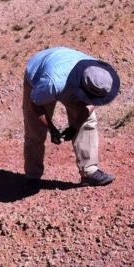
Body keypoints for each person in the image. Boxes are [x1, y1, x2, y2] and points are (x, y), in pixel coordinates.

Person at [23, 46, 120, 187]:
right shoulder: (53, 83)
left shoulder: (98, 76)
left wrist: (75, 127)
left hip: (67, 72)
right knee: (35, 129)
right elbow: (36, 104)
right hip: (40, 75)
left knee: (88, 121)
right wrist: (52, 128)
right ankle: (32, 176)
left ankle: (89, 172)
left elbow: (92, 103)